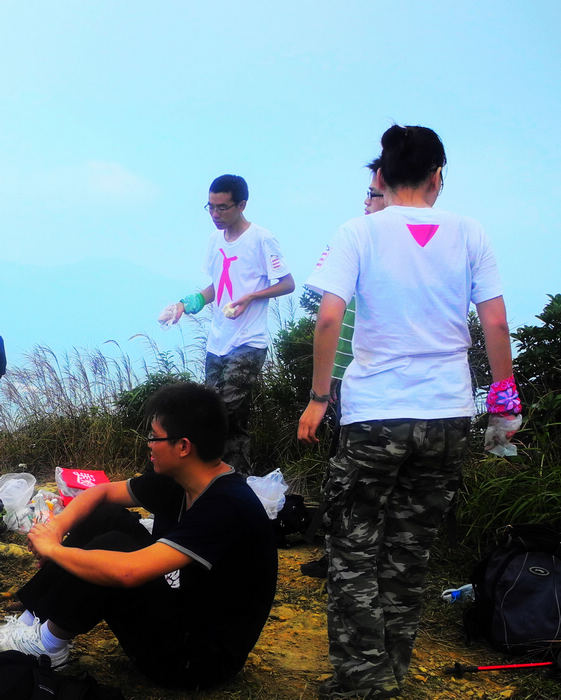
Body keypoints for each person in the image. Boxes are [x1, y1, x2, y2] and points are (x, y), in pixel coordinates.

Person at [298, 125, 521, 699]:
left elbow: (329, 318)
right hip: (448, 414)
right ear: (437, 175)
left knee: (354, 547)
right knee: (408, 551)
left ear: (382, 175)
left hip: (376, 413)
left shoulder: (359, 232)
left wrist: (319, 398)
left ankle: (363, 680)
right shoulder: (471, 233)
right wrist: (503, 409)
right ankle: (392, 669)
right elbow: (496, 323)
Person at [0, 382, 278, 691]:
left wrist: (54, 550)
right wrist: (57, 527)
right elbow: (102, 492)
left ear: (183, 446)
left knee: (115, 549)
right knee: (106, 515)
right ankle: (33, 621)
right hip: (181, 607)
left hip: (195, 659)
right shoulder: (180, 478)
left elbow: (128, 571)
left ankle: (48, 647)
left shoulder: (227, 505)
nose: (149, 445)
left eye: (154, 437)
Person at [164, 174, 295, 476]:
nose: (215, 214)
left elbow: (287, 283)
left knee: (216, 413)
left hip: (248, 342)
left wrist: (251, 297)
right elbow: (216, 286)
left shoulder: (261, 239)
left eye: (222, 207)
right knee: (233, 424)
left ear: (241, 205)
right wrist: (186, 304)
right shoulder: (214, 241)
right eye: (210, 207)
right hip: (217, 343)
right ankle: (237, 480)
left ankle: (201, 476)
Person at [301, 158, 385, 580]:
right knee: (340, 461)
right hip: (346, 373)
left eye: (374, 194)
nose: (366, 201)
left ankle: (345, 556)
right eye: (367, 194)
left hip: (366, 377)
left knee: (351, 469)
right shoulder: (356, 237)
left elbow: (328, 316)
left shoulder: (367, 240)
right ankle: (334, 551)